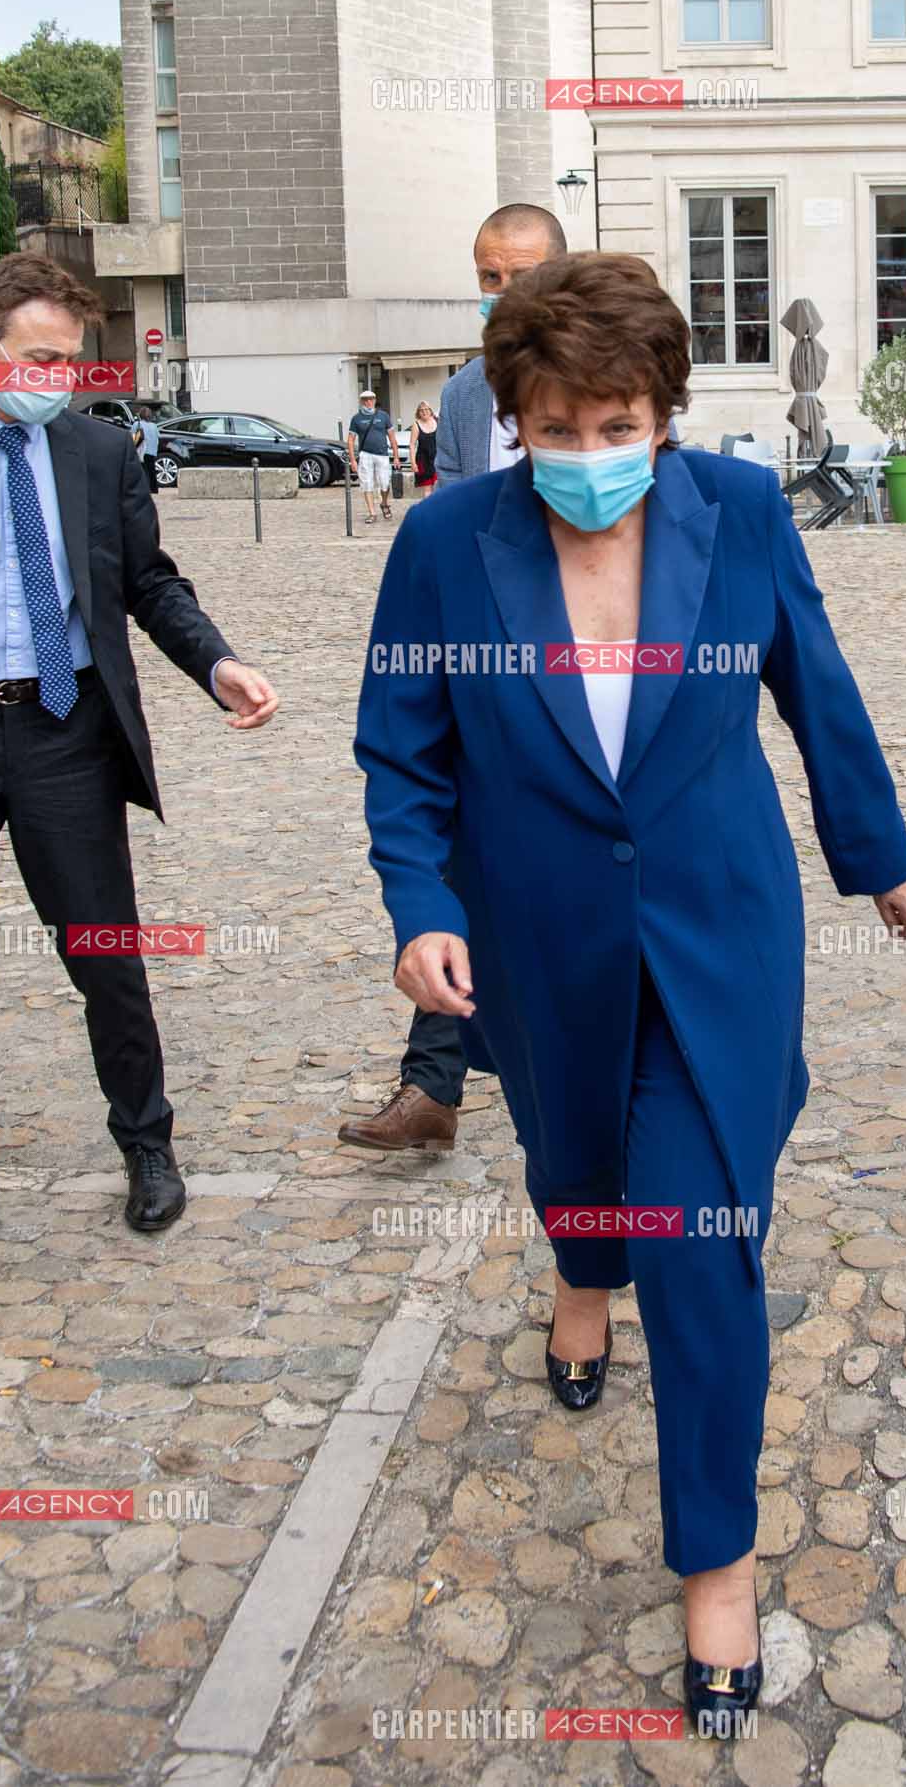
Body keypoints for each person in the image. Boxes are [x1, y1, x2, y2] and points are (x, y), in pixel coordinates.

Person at [354, 251, 906, 1733]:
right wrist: (421, 907)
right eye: (561, 430)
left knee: (702, 1230)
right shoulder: (441, 543)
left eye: (621, 426)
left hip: (720, 932)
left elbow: (816, 679)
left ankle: (717, 1563)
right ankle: (575, 1268)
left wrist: (880, 855)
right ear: (515, 418)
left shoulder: (736, 512)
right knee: (578, 1163)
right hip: (537, 936)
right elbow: (402, 748)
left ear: (664, 413)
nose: (592, 457)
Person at [0, 252, 280, 1289]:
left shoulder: (91, 454)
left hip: (66, 739)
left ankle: (147, 1142)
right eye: (40, 357)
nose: (58, 378)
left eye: (72, 363)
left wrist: (218, 663)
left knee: (104, 955)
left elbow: (148, 584)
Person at [338, 203, 567, 1157]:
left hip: (588, 673)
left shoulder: (625, 374)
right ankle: (434, 1081)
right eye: (486, 276)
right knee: (454, 863)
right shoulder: (470, 392)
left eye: (519, 275)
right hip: (487, 668)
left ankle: (557, 1073)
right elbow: (463, 523)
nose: (501, 294)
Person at [434, 204, 568, 483]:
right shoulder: (460, 393)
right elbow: (455, 506)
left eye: (524, 276)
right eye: (492, 277)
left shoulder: (615, 373)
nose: (507, 293)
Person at [347, 387, 399, 524]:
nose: (368, 402)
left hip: (382, 454)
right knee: (367, 483)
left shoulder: (383, 416)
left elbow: (392, 437)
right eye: (366, 400)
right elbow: (351, 440)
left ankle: (384, 503)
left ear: (375, 400)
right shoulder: (356, 419)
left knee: (385, 483)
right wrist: (353, 460)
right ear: (361, 402)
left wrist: (396, 456)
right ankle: (372, 512)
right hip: (365, 454)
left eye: (371, 399)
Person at [410, 402, 439, 497]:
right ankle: (429, 510)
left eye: (426, 409)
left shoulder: (437, 421)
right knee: (427, 488)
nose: (424, 412)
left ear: (430, 411)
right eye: (421, 410)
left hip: (438, 458)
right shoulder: (416, 425)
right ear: (418, 413)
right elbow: (412, 444)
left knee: (439, 486)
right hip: (423, 459)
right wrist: (413, 463)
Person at [137, 409, 161, 495]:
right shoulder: (154, 426)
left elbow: (133, 436)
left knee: (143, 470)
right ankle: (154, 489)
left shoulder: (137, 424)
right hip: (152, 450)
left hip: (142, 451)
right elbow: (158, 437)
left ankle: (145, 488)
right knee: (152, 470)